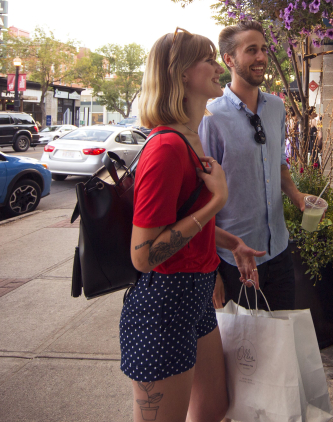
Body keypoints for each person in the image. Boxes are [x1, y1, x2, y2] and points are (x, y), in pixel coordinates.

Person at [122, 28, 229, 422]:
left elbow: (180, 223)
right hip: (164, 303)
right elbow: (144, 255)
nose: (219, 67)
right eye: (209, 59)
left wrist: (230, 242)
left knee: (214, 407)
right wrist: (217, 200)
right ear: (183, 73)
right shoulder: (166, 147)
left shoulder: (191, 137)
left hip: (195, 295)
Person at [200, 19, 307, 311]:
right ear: (229, 59)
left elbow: (280, 163)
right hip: (235, 262)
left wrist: (296, 196)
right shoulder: (211, 117)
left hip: (280, 252)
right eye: (251, 50)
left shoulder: (276, 107)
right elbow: (201, 198)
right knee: (245, 354)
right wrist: (212, 272)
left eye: (263, 49)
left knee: (280, 346)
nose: (261, 57)